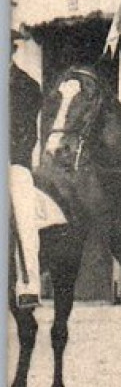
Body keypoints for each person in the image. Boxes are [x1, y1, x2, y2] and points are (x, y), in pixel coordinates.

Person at [9, 31, 43, 311]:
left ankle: (28, 285)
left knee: (23, 216)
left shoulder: (28, 87)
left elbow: (27, 135)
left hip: (13, 164)